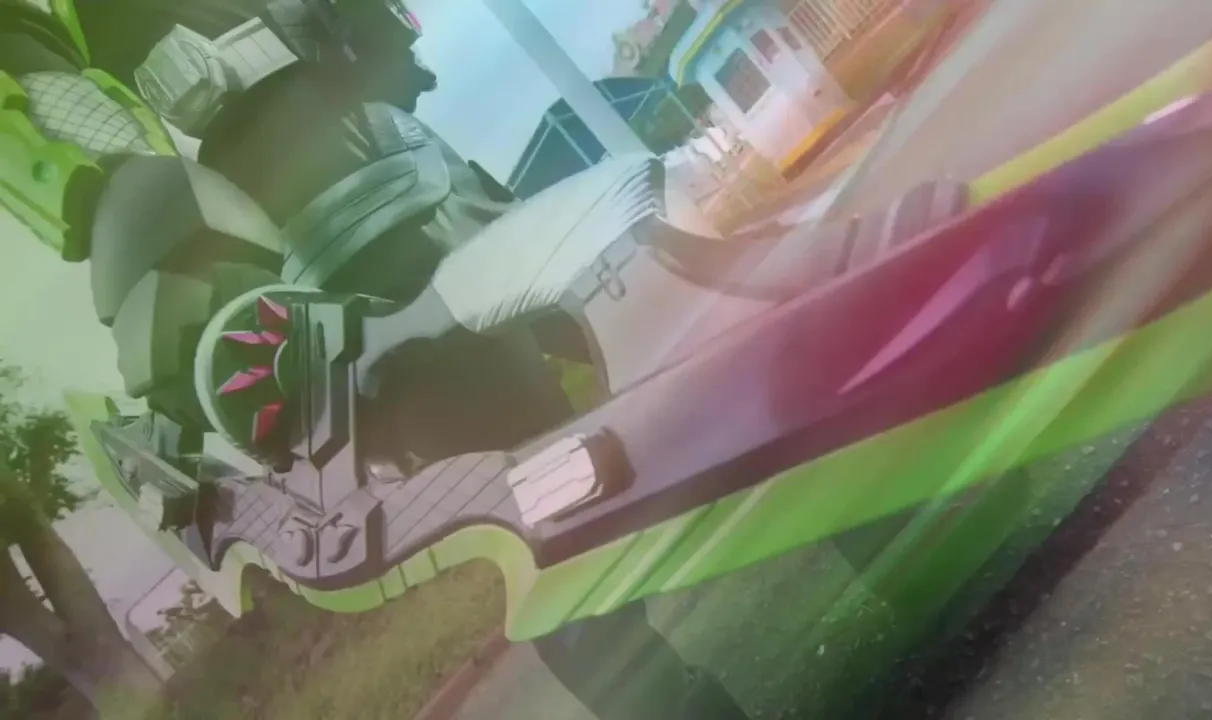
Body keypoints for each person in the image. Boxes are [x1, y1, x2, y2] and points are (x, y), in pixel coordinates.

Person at [0, 0, 745, 717]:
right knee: (567, 520)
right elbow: (72, 147)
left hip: (418, 173)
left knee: (689, 388)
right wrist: (207, 321)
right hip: (353, 252)